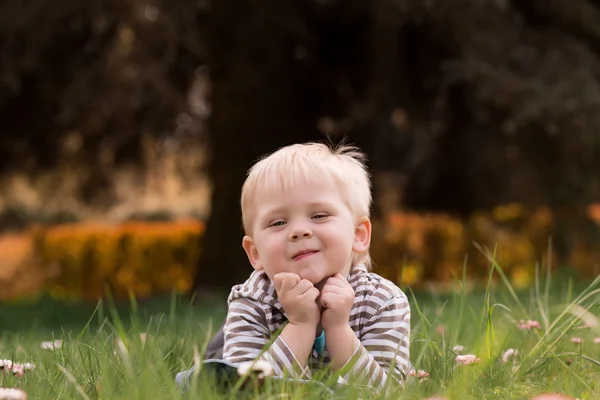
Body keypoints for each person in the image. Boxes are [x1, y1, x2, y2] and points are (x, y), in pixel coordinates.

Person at [184, 142, 411, 391]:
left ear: (358, 235)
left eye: (319, 215)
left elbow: (389, 392)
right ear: (255, 252)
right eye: (278, 222)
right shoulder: (251, 302)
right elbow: (245, 391)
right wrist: (300, 326)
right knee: (204, 379)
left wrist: (338, 329)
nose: (299, 231)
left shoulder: (382, 301)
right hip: (247, 360)